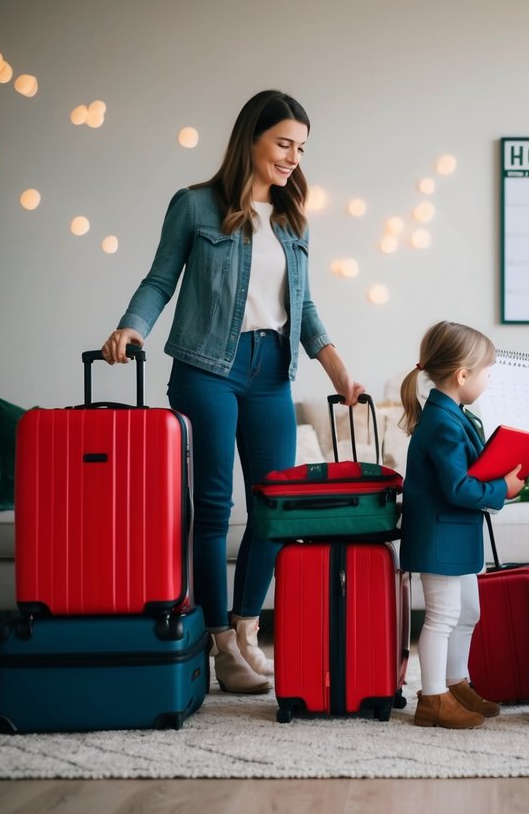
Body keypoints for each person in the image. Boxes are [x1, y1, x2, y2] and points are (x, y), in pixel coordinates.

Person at [101, 90, 364, 693]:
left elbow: (306, 305)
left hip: (272, 372)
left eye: (301, 147)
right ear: (251, 139)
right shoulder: (195, 205)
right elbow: (159, 279)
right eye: (283, 143)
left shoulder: (295, 218)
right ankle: (218, 641)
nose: (293, 157)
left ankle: (248, 628)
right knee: (215, 505)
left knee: (275, 507)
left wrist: (337, 370)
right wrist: (130, 328)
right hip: (207, 368)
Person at [398, 320, 525, 729]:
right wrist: (501, 490)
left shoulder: (454, 415)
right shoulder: (441, 422)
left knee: (467, 611)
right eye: (487, 371)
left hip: (456, 536)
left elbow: (469, 471)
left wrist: (502, 472)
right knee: (442, 616)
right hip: (440, 537)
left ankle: (456, 682)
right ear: (462, 375)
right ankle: (432, 697)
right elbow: (456, 487)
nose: (489, 379)